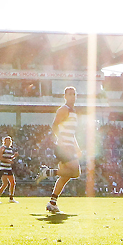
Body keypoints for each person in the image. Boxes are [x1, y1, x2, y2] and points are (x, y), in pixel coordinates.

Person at [48, 86, 81, 214]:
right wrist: (60, 140)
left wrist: (77, 147)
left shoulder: (73, 112)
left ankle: (52, 203)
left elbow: (72, 134)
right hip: (64, 147)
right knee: (75, 172)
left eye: (74, 94)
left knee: (65, 176)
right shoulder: (64, 109)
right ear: (65, 96)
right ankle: (49, 172)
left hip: (70, 146)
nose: (72, 96)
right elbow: (54, 126)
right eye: (70, 94)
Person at [0, 135, 17, 203]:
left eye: (9, 141)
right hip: (3, 168)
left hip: (9, 168)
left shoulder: (10, 149)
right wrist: (7, 161)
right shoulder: (2, 148)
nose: (8, 142)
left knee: (13, 183)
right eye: (7, 141)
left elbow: (9, 158)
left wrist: (14, 156)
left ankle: (11, 198)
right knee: (5, 183)